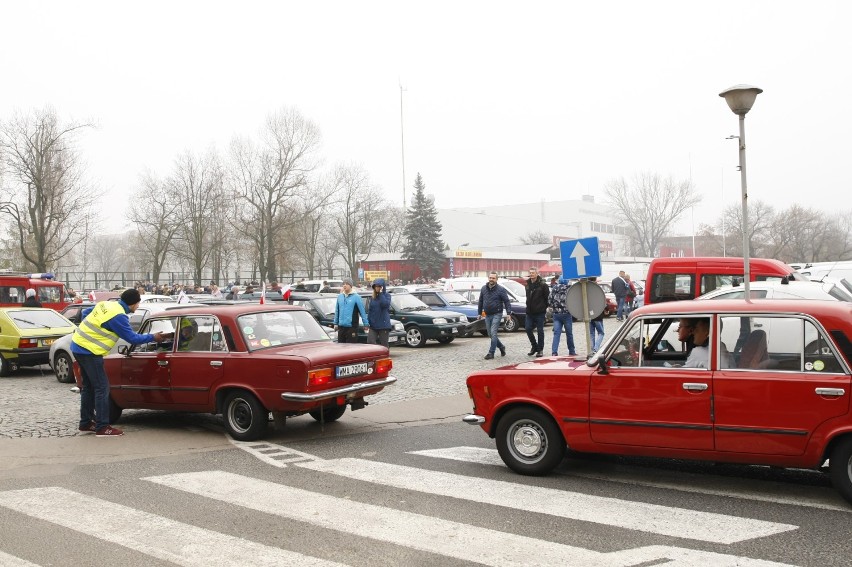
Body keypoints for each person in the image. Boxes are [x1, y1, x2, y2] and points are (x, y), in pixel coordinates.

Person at [72, 288, 167, 437]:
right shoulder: (119, 317)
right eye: (138, 303)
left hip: (78, 345)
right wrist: (153, 337)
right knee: (102, 388)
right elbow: (133, 339)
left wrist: (94, 330)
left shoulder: (107, 305)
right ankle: (102, 427)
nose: (138, 305)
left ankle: (85, 423)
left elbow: (85, 314)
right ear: (133, 303)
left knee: (89, 387)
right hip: (90, 351)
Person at [478, 272, 513, 360]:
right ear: (488, 278)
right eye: (490, 278)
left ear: (496, 279)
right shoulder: (483, 289)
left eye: (493, 278)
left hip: (497, 313)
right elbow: (481, 301)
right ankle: (501, 347)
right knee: (490, 334)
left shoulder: (501, 289)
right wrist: (479, 313)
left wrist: (508, 313)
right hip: (487, 314)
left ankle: (491, 352)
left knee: (493, 333)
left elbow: (507, 301)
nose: (491, 279)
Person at [334, 277, 368, 343]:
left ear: (351, 285)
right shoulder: (340, 297)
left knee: (350, 348)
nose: (344, 285)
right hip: (341, 327)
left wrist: (365, 324)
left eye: (347, 284)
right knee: (341, 348)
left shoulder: (356, 297)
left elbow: (362, 312)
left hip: (352, 327)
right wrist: (335, 323)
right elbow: (337, 311)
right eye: (343, 284)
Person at [525, 267, 550, 357]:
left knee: (540, 331)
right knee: (528, 329)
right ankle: (534, 346)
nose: (531, 274)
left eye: (533, 273)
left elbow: (547, 298)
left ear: (537, 274)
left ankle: (540, 350)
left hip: (540, 312)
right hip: (529, 312)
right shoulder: (527, 284)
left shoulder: (543, 285)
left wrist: (544, 308)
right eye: (530, 273)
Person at [548, 278, 576, 356]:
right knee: (569, 334)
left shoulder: (554, 288)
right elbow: (573, 301)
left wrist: (554, 307)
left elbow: (549, 300)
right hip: (567, 314)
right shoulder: (569, 289)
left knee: (556, 333)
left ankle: (554, 352)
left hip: (556, 314)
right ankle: (572, 351)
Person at [366, 278, 392, 347]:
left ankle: (385, 356)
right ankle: (374, 357)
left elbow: (385, 305)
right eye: (375, 286)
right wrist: (368, 322)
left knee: (384, 344)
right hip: (373, 325)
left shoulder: (387, 296)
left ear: (382, 287)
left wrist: (381, 294)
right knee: (370, 342)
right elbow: (370, 310)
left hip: (383, 325)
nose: (377, 288)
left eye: (378, 286)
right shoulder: (373, 297)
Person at [588, 278, 605, 352]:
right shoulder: (598, 289)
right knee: (601, 333)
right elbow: (602, 300)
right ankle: (596, 348)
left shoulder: (586, 289)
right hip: (598, 315)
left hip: (589, 315)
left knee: (591, 333)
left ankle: (592, 349)